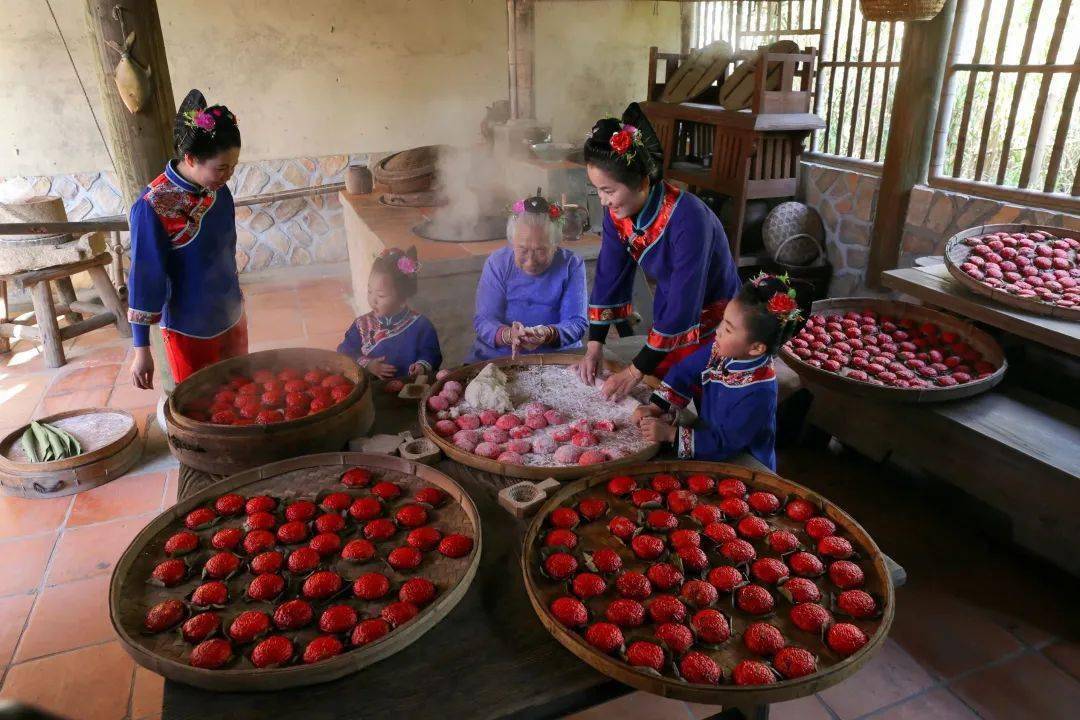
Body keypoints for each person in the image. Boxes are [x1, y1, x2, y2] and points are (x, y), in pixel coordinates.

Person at [575, 103, 740, 401]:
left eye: (608, 191)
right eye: (597, 190)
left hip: (716, 318)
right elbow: (609, 275)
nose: (603, 201)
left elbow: (685, 297)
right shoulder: (618, 214)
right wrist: (594, 346)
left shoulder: (689, 219)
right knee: (658, 393)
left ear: (642, 181)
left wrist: (635, 371)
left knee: (694, 395)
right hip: (672, 307)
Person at [128, 89, 245, 389]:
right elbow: (144, 276)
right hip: (189, 329)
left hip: (231, 313)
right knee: (201, 405)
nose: (228, 175)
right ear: (191, 158)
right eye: (221, 168)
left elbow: (225, 254)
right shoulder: (153, 206)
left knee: (243, 392)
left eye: (233, 167)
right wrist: (141, 349)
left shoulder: (218, 190)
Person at [632, 274, 805, 470]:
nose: (718, 331)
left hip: (744, 464)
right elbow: (685, 371)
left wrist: (671, 434)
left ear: (756, 348)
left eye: (729, 329)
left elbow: (727, 442)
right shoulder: (721, 349)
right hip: (708, 439)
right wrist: (657, 407)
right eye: (723, 321)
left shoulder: (760, 393)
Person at [466, 190, 587, 363]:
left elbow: (576, 322)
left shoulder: (571, 264)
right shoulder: (498, 263)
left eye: (541, 251)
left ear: (555, 244)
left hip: (556, 357)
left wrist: (547, 334)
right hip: (500, 355)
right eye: (522, 250)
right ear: (512, 242)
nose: (530, 261)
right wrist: (509, 335)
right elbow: (484, 319)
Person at [337, 246, 442, 379]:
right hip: (372, 390)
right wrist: (368, 364)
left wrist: (421, 366)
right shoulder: (361, 325)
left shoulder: (421, 325)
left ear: (402, 299)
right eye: (370, 291)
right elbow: (345, 351)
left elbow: (432, 353)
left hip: (409, 390)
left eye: (381, 296)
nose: (372, 300)